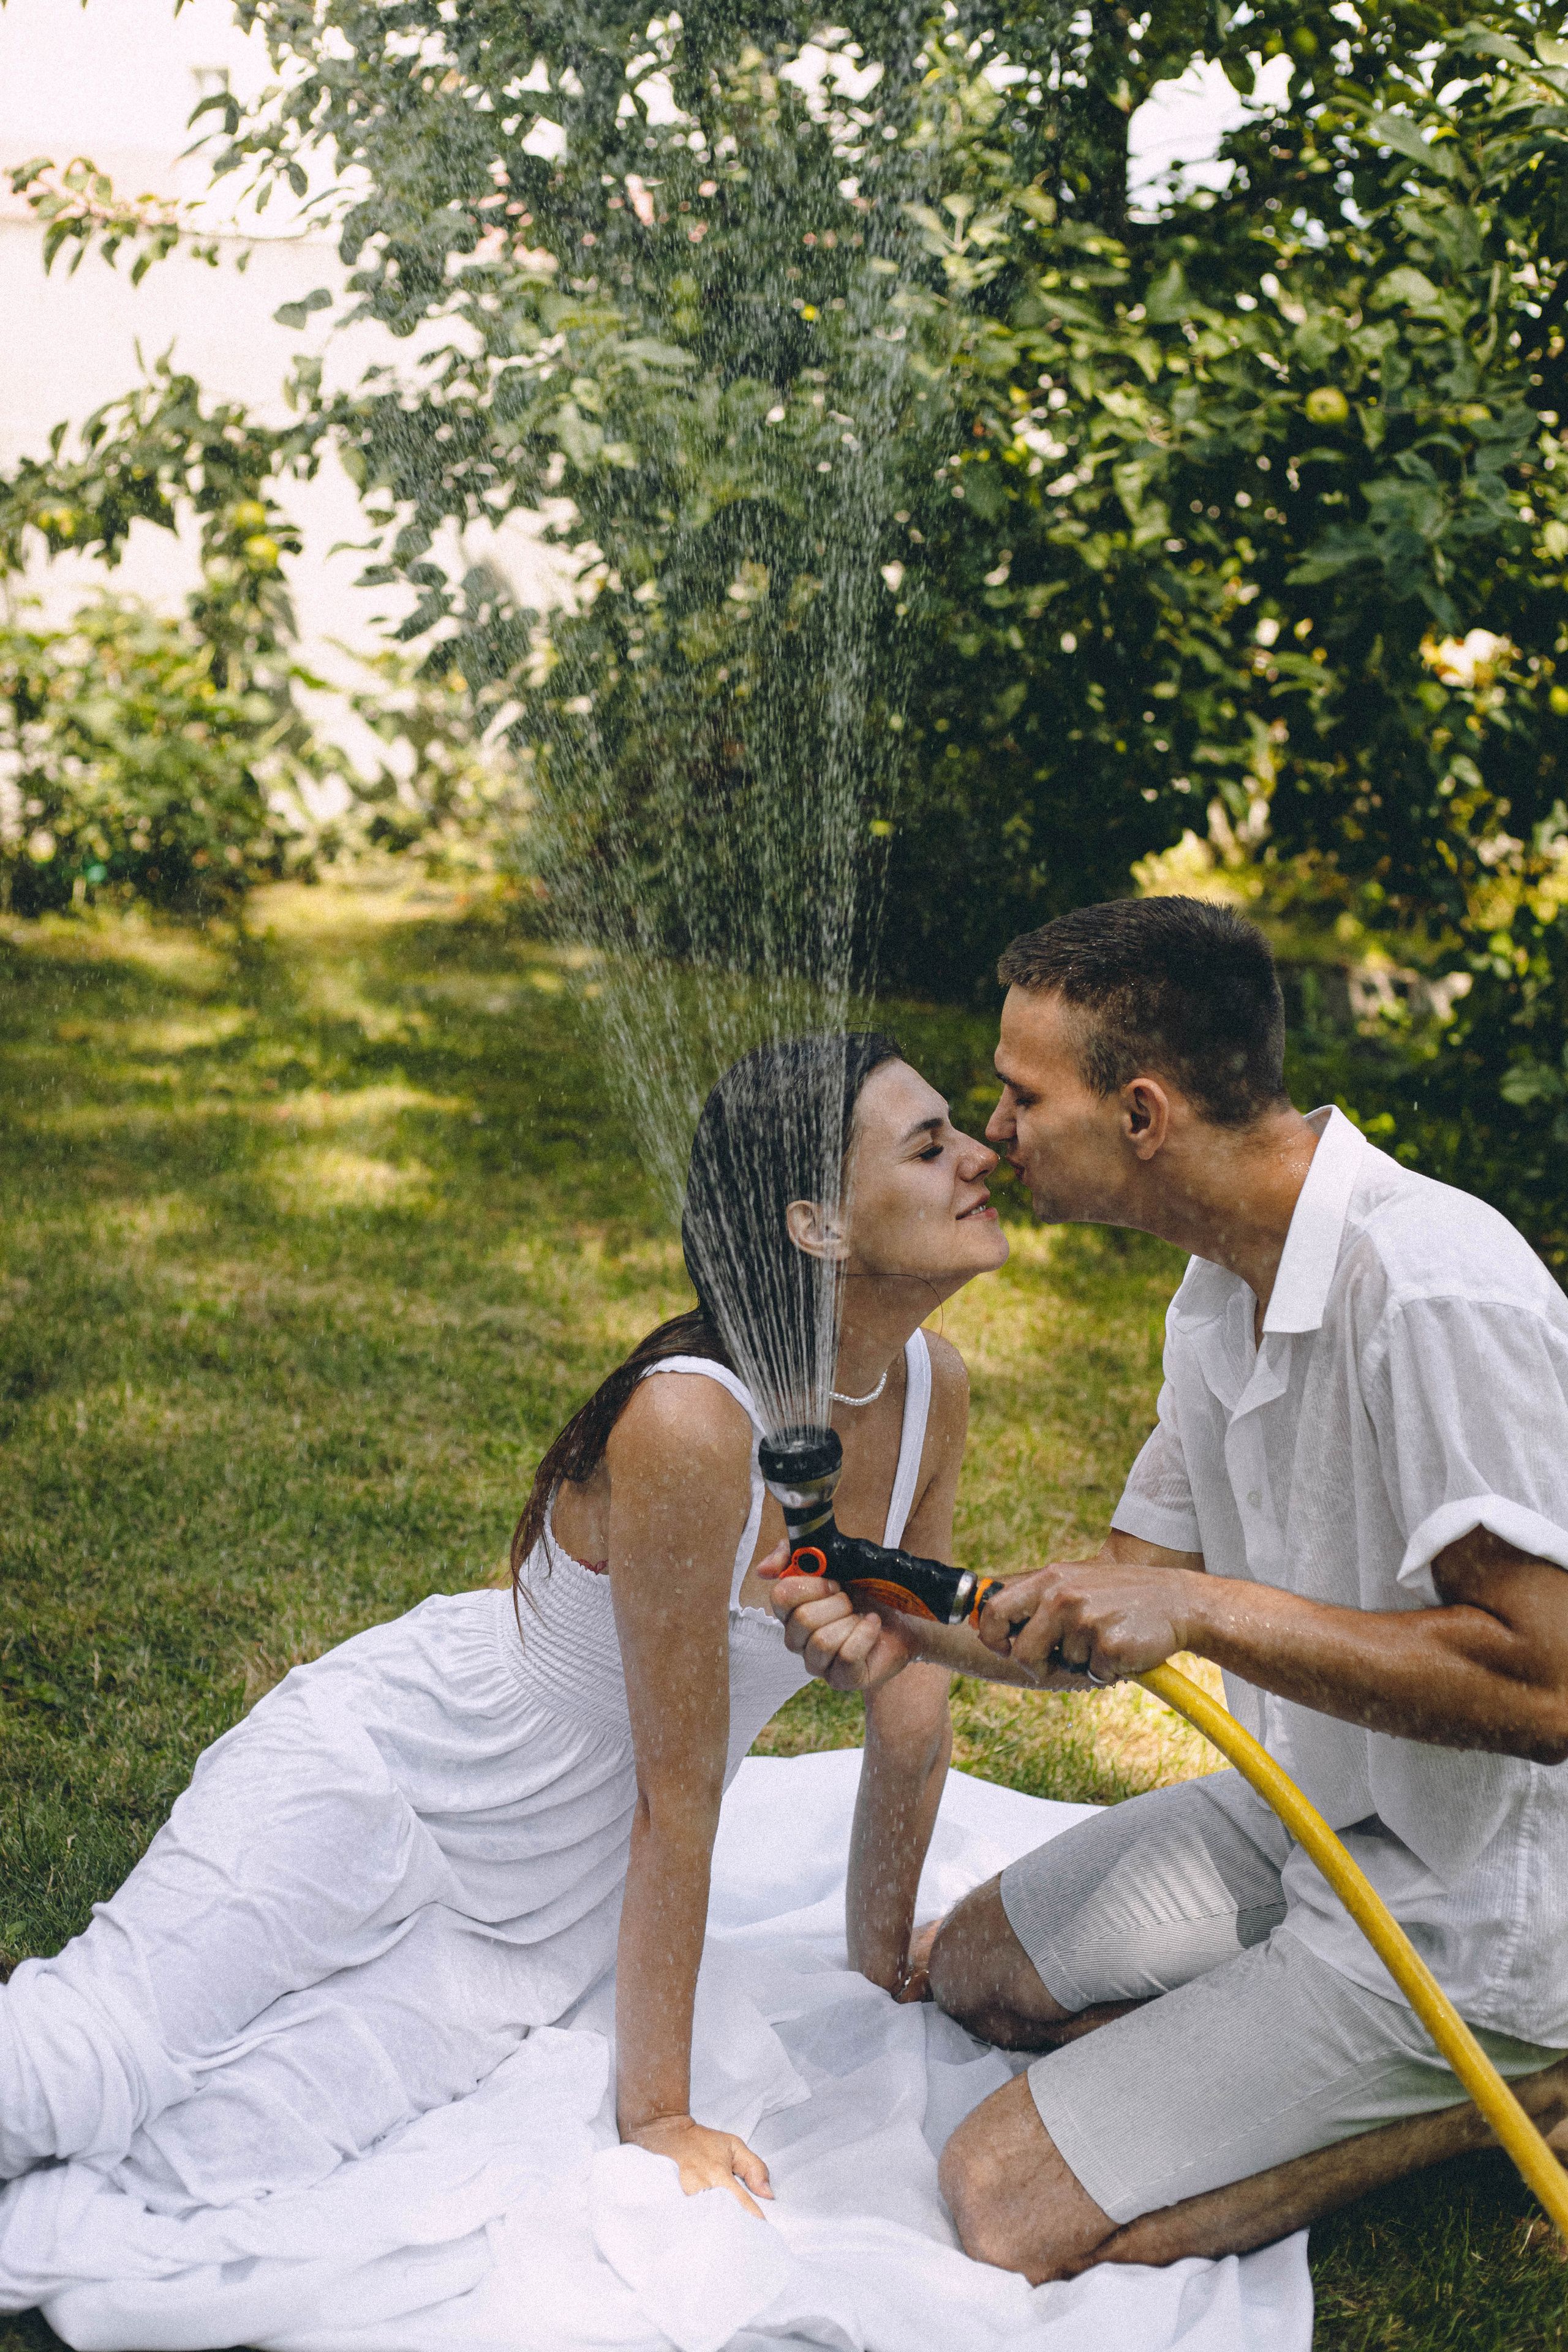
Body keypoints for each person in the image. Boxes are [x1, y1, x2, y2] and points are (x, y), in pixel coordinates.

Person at [0, 1031, 1009, 2227]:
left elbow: (911, 1702)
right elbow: (675, 1794)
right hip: (404, 1776)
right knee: (90, 2061)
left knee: (231, 2154)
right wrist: (657, 2120)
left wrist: (879, 1964)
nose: (980, 1156)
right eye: (929, 1144)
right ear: (817, 1226)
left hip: (560, 1903)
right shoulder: (692, 1427)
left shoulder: (929, 1386)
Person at [766, 897, 1568, 2281]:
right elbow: (1123, 1597)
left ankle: (1512, 2095)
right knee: (974, 1970)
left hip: (1493, 1895)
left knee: (1003, 2203)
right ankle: (1267, 2049)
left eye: (1021, 1096)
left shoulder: (1433, 1288)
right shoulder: (1212, 1294)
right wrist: (894, 1616)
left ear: (1139, 1114)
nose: (993, 1133)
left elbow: (1549, 1682)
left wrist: (1208, 1617)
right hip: (1326, 1813)